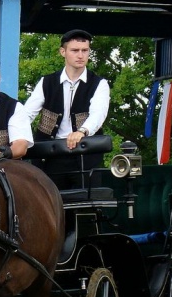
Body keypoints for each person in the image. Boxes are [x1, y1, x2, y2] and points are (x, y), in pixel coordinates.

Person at [24, 29, 110, 189]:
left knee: (86, 206)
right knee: (47, 206)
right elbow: (27, 113)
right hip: (50, 157)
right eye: (75, 50)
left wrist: (82, 131)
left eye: (85, 50)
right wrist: (17, 135)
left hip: (84, 156)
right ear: (63, 52)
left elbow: (99, 113)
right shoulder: (46, 82)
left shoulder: (99, 83)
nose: (80, 55)